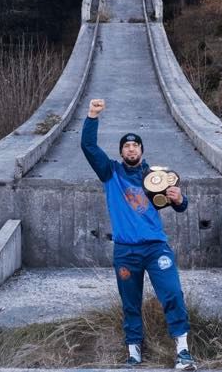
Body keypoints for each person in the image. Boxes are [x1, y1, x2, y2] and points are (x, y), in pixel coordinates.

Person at [81, 98, 196, 370]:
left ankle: (183, 352)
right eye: (126, 145)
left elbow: (180, 206)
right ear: (121, 151)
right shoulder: (110, 172)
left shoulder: (155, 176)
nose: (131, 148)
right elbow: (88, 146)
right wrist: (92, 116)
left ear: (142, 150)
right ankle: (134, 354)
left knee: (172, 295)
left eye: (135, 145)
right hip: (126, 251)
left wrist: (180, 198)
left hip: (156, 248)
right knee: (130, 303)